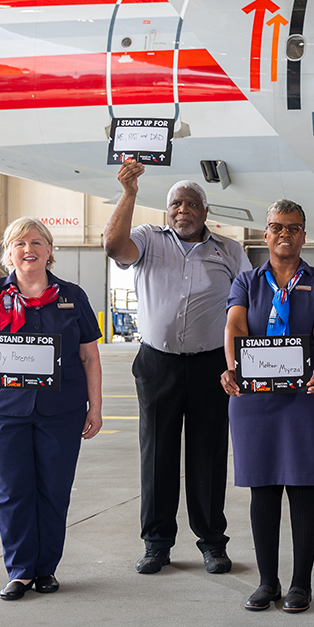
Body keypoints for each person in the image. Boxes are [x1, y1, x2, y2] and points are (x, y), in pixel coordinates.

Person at [104, 160, 251, 575]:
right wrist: (130, 193)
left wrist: (244, 362)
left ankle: (211, 542)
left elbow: (248, 305)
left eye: (190, 204)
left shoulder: (229, 250)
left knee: (208, 454)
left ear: (205, 212)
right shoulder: (148, 239)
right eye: (174, 204)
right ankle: (156, 543)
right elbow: (114, 247)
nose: (181, 210)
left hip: (210, 365)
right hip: (158, 364)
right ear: (167, 211)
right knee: (157, 454)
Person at [0, 217, 103, 600]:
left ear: (50, 251)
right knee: (12, 490)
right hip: (2, 410)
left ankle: (46, 569)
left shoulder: (72, 295)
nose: (29, 249)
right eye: (20, 243)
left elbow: (89, 355)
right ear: (8, 252)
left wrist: (96, 407)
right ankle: (21, 570)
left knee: (54, 489)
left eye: (37, 242)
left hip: (61, 409)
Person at [220, 200, 314, 613]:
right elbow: (235, 324)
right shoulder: (246, 281)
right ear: (265, 234)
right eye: (277, 227)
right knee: (263, 487)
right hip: (255, 398)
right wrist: (231, 366)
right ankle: (267, 582)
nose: (284, 234)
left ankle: (301, 585)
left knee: (303, 486)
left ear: (304, 235)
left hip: (307, 394)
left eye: (293, 227)